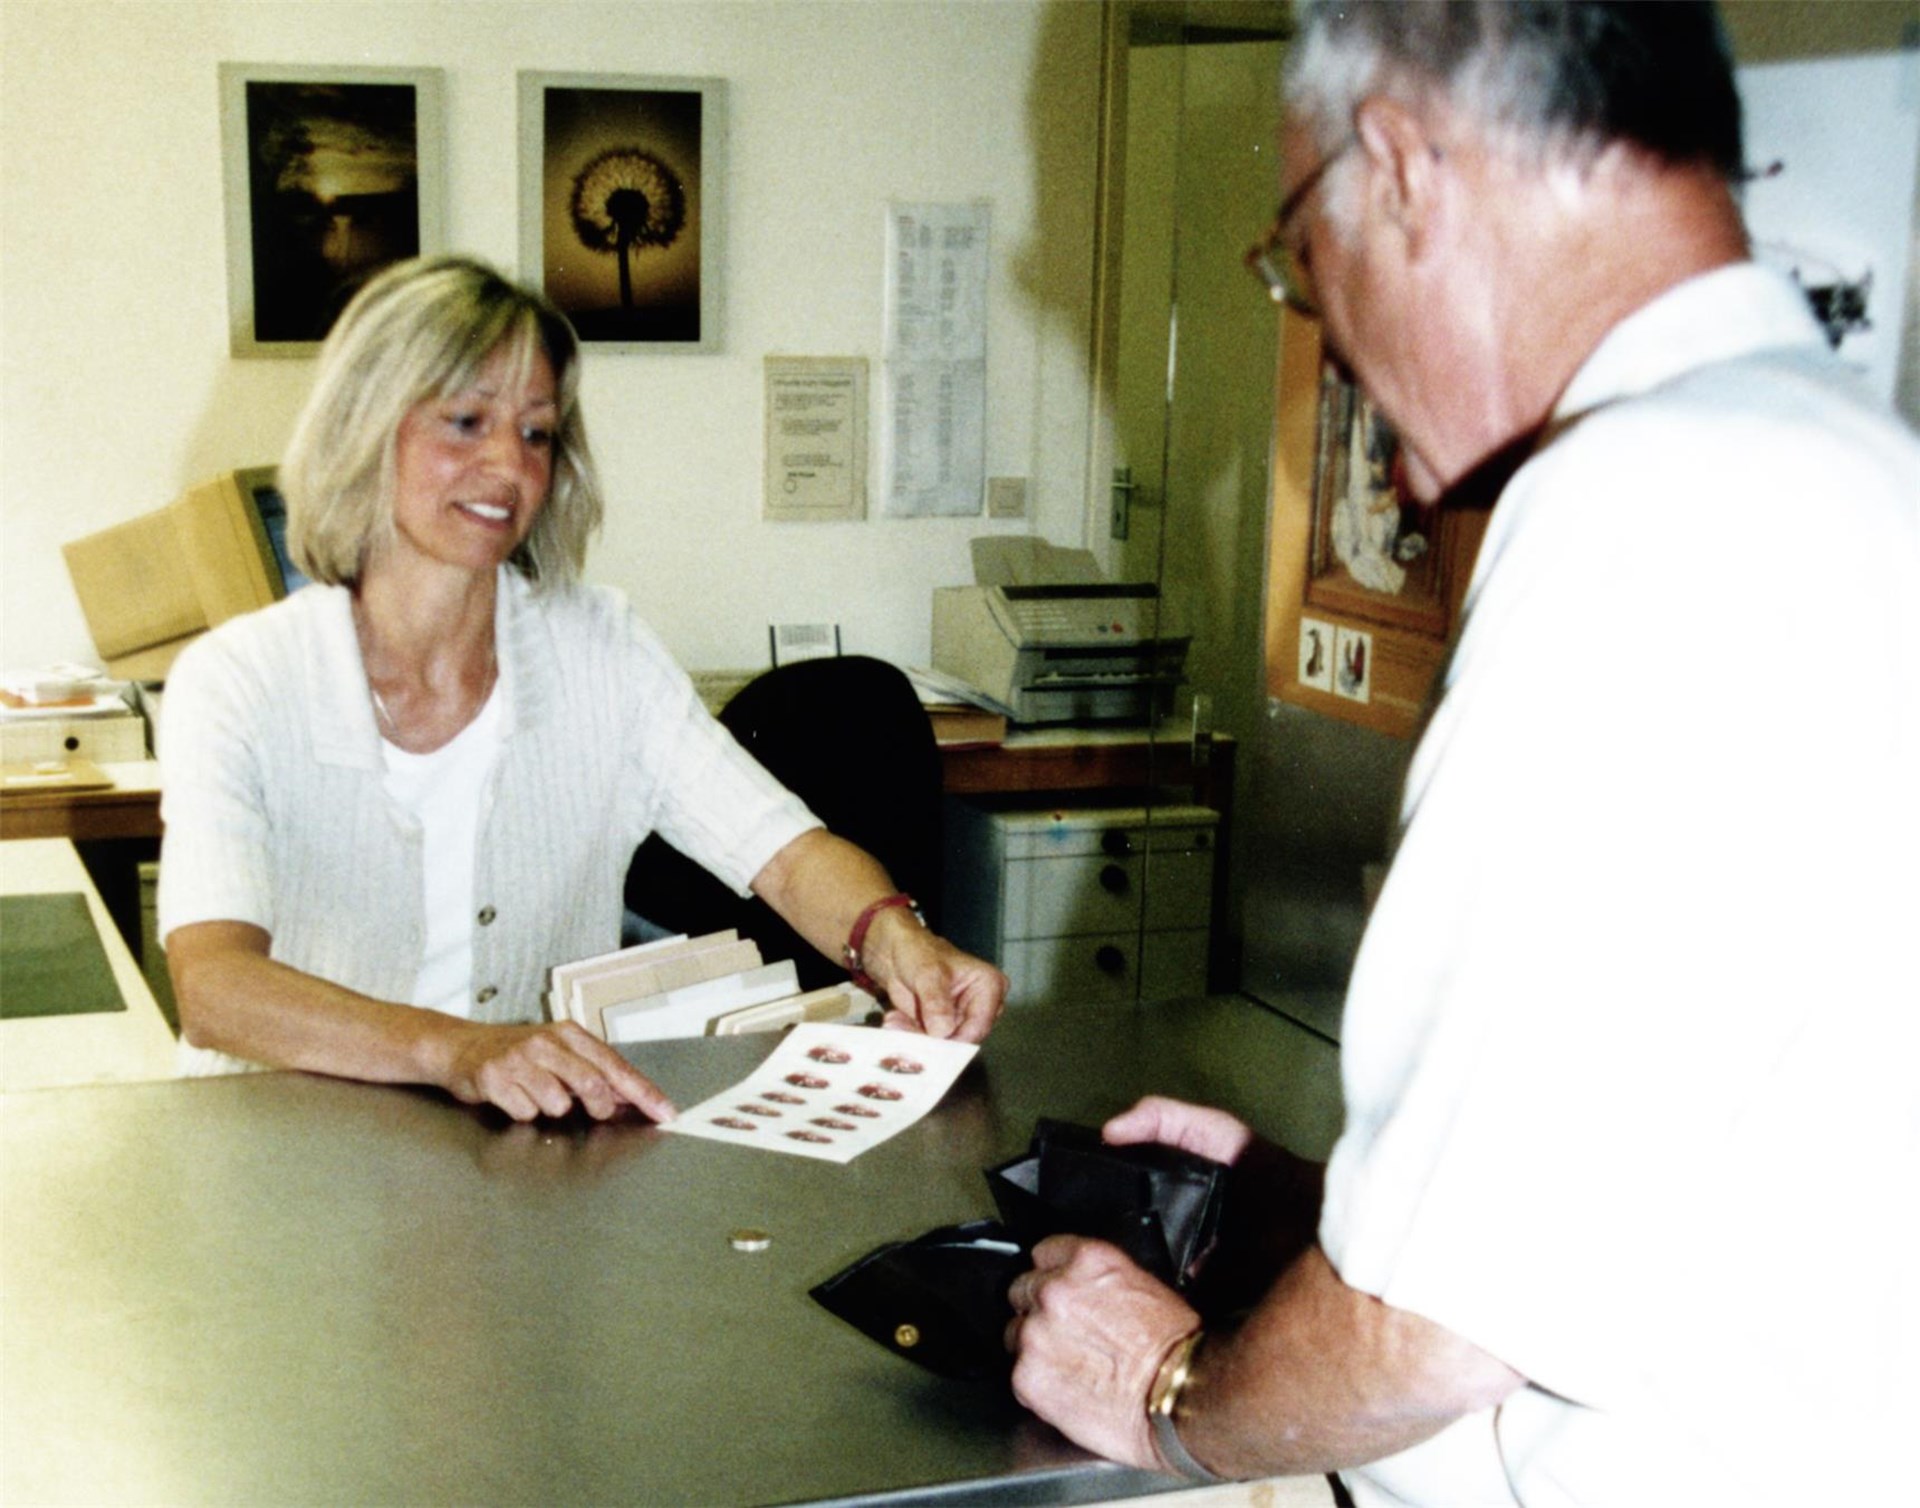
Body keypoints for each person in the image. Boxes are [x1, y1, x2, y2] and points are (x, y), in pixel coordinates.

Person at [1005, 4, 1918, 1505]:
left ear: (1405, 172)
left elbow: (1443, 1326)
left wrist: (1168, 1390)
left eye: (1301, 257)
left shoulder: (1641, 512)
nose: (1325, 335)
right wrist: (1346, 1211)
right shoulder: (1860, 476)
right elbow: (1700, 1154)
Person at [158, 254, 1006, 1124]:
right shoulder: (239, 681)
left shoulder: (601, 649)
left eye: (536, 432)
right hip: (284, 1152)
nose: (508, 464)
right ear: (365, 430)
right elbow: (215, 985)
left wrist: (896, 939)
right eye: (465, 421)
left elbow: (785, 855)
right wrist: (457, 1049)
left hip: (516, 1146)